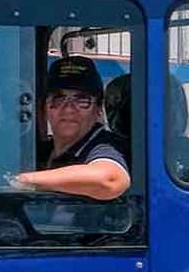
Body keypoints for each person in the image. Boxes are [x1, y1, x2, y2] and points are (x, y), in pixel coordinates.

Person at [11, 55, 130, 200]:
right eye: (58, 99)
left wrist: (21, 181)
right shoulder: (39, 151)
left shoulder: (105, 146)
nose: (68, 109)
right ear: (45, 107)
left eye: (82, 100)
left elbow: (110, 181)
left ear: (98, 109)